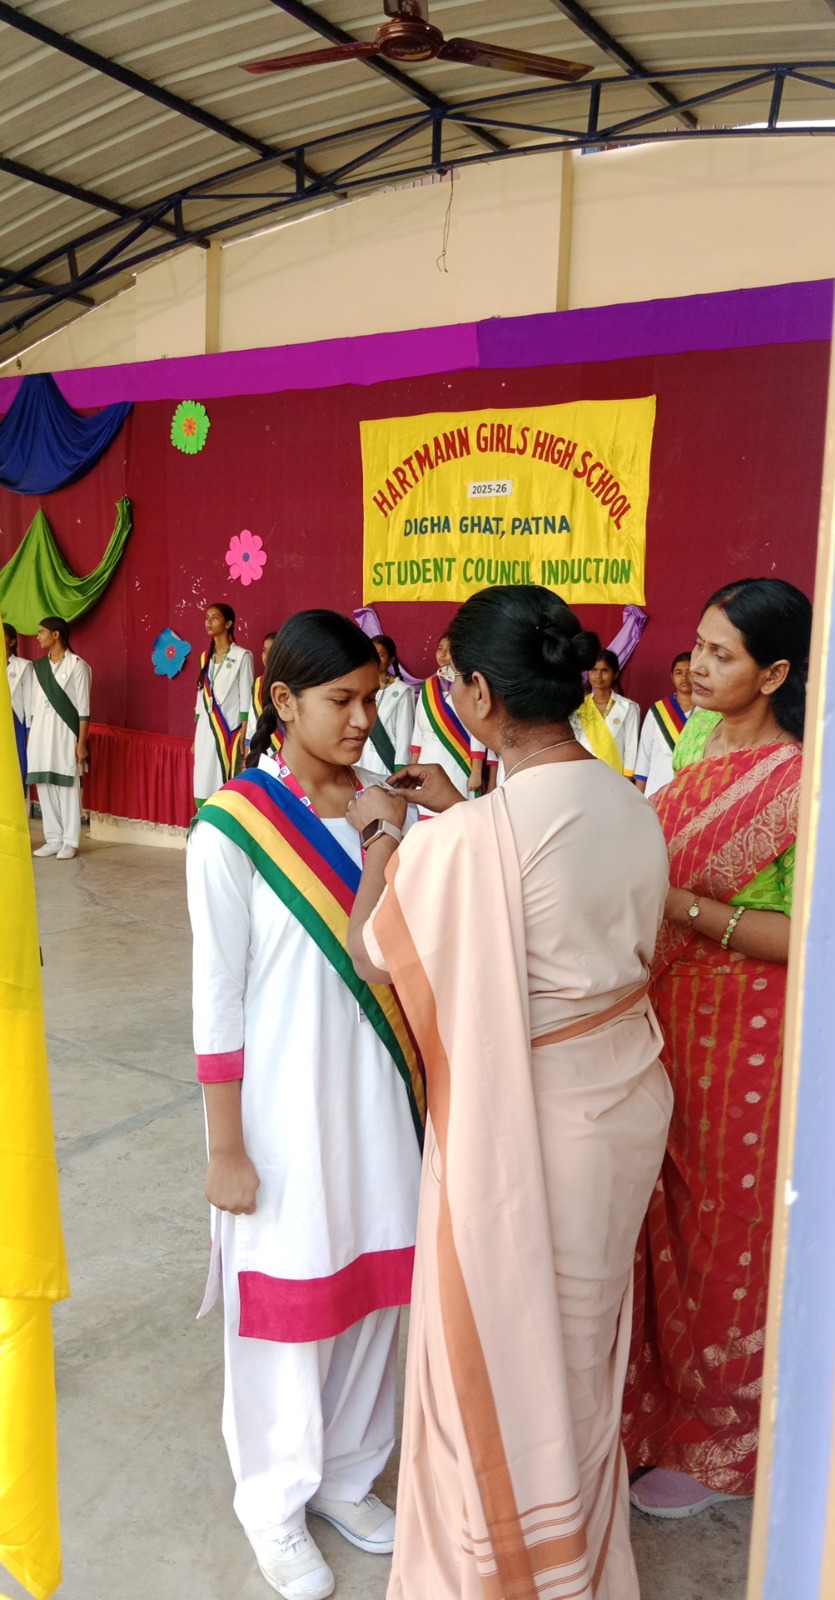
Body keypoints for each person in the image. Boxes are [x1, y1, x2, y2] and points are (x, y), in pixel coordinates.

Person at [346, 585, 673, 1600]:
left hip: (536, 1127)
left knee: (506, 1355)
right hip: (624, 1096)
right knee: (578, 1353)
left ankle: (510, 1570)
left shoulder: (464, 844)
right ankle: (575, 1545)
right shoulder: (630, 798)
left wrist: (383, 835)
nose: (446, 691)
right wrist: (463, 812)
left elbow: (377, 953)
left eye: (449, 678)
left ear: (482, 694)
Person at [186, 610, 425, 1600]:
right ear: (282, 702)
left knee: (375, 1297)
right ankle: (274, 1500)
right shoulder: (233, 828)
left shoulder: (387, 813)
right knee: (286, 1313)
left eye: (372, 698)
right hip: (280, 1117)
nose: (363, 719)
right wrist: (226, 1147)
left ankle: (347, 1474)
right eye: (341, 700)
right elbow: (219, 998)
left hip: (380, 1100)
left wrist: (397, 844)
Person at [623, 577, 811, 1518]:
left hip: (745, 1035)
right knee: (653, 1206)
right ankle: (651, 1413)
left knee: (723, 1228)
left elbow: (811, 932)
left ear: (775, 673)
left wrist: (685, 909)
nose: (697, 666)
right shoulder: (694, 737)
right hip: (663, 1011)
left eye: (721, 654)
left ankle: (715, 1442)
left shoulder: (802, 779)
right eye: (697, 646)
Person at [27, 616, 90, 860]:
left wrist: (81, 743)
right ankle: (53, 838)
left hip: (66, 734)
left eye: (42, 632)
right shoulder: (38, 668)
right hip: (41, 734)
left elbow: (84, 710)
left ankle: (70, 840)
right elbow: (33, 706)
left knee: (67, 785)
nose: (38, 636)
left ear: (56, 635)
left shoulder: (77, 666)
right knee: (44, 784)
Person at [410, 630, 495, 811]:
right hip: (428, 761)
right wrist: (412, 766)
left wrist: (477, 771)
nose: (442, 654)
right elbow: (419, 731)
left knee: (456, 815)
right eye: (440, 648)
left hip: (459, 764)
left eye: (448, 650)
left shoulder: (469, 686)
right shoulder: (428, 687)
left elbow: (477, 731)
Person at [193, 602, 254, 808]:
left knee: (224, 779)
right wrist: (196, 737)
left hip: (229, 731)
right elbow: (201, 699)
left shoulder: (242, 656)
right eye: (207, 617)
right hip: (205, 730)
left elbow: (247, 699)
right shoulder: (205, 658)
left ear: (228, 624)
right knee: (203, 777)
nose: (209, 622)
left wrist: (244, 738)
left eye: (215, 618)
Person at [633, 652, 694, 797]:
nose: (684, 678)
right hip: (657, 789)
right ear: (672, 677)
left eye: (690, 672)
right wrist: (638, 798)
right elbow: (644, 756)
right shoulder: (657, 711)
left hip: (692, 791)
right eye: (679, 673)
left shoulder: (709, 713)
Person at [573, 647, 640, 777]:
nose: (598, 676)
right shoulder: (579, 707)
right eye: (594, 670)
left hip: (615, 774)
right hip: (583, 772)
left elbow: (631, 748)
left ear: (615, 674)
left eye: (605, 671)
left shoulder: (628, 707)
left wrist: (627, 778)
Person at [361, 634, 414, 778]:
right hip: (360, 760)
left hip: (386, 762)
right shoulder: (358, 687)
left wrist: (400, 766)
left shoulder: (401, 691)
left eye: (381, 655)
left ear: (391, 660)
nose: (375, 659)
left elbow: (405, 733)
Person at [5, 621, 33, 793]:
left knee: (15, 769)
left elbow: (29, 703)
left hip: (15, 723)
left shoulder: (23, 666)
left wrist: (29, 732)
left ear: (13, 641)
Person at [244, 630, 277, 756]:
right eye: (264, 650)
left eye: (272, 650)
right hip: (259, 748)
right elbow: (252, 721)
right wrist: (248, 752)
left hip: (282, 749)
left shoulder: (290, 684)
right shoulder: (258, 683)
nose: (266, 655)